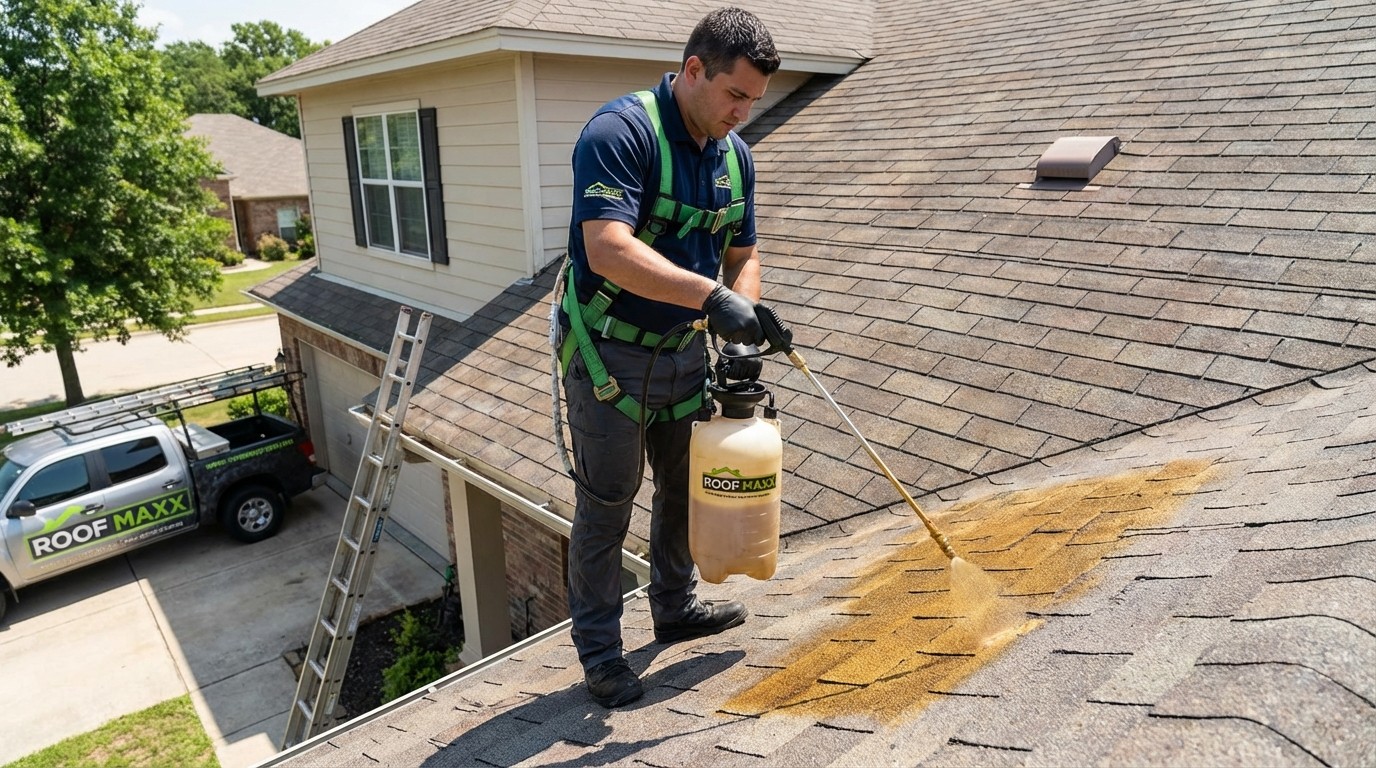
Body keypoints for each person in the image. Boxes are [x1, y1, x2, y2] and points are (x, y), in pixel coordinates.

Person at [558, 7, 781, 708]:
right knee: (607, 505)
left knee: (684, 490)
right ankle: (600, 653)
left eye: (753, 100)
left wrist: (740, 331)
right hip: (609, 357)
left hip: (683, 355)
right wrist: (714, 299)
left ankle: (674, 606)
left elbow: (743, 255)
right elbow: (607, 249)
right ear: (693, 71)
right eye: (734, 95)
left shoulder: (733, 157)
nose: (742, 113)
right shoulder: (621, 134)